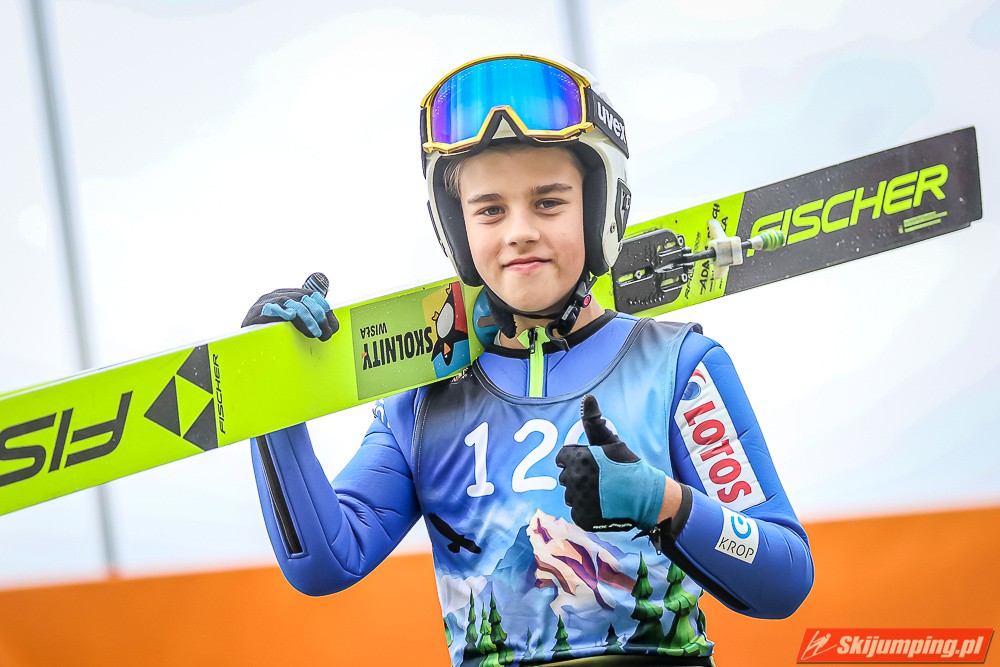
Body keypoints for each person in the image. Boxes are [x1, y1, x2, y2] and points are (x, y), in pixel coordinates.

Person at [243, 54, 813, 666]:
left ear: (598, 212)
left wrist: (662, 503)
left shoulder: (676, 367)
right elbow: (326, 561)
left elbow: (784, 574)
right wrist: (270, 391)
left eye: (548, 203)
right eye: (490, 209)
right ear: (457, 229)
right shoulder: (422, 404)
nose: (519, 230)